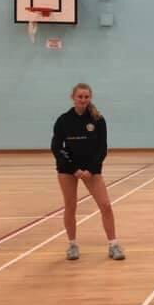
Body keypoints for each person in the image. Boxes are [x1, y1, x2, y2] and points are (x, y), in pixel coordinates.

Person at [52, 83, 124, 261]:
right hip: (68, 170)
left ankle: (113, 244)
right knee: (71, 206)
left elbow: (102, 148)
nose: (83, 100)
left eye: (86, 97)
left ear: (90, 98)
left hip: (91, 170)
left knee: (105, 205)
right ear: (73, 98)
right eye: (80, 97)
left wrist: (91, 169)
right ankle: (72, 245)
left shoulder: (98, 120)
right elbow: (56, 147)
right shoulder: (63, 120)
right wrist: (73, 169)